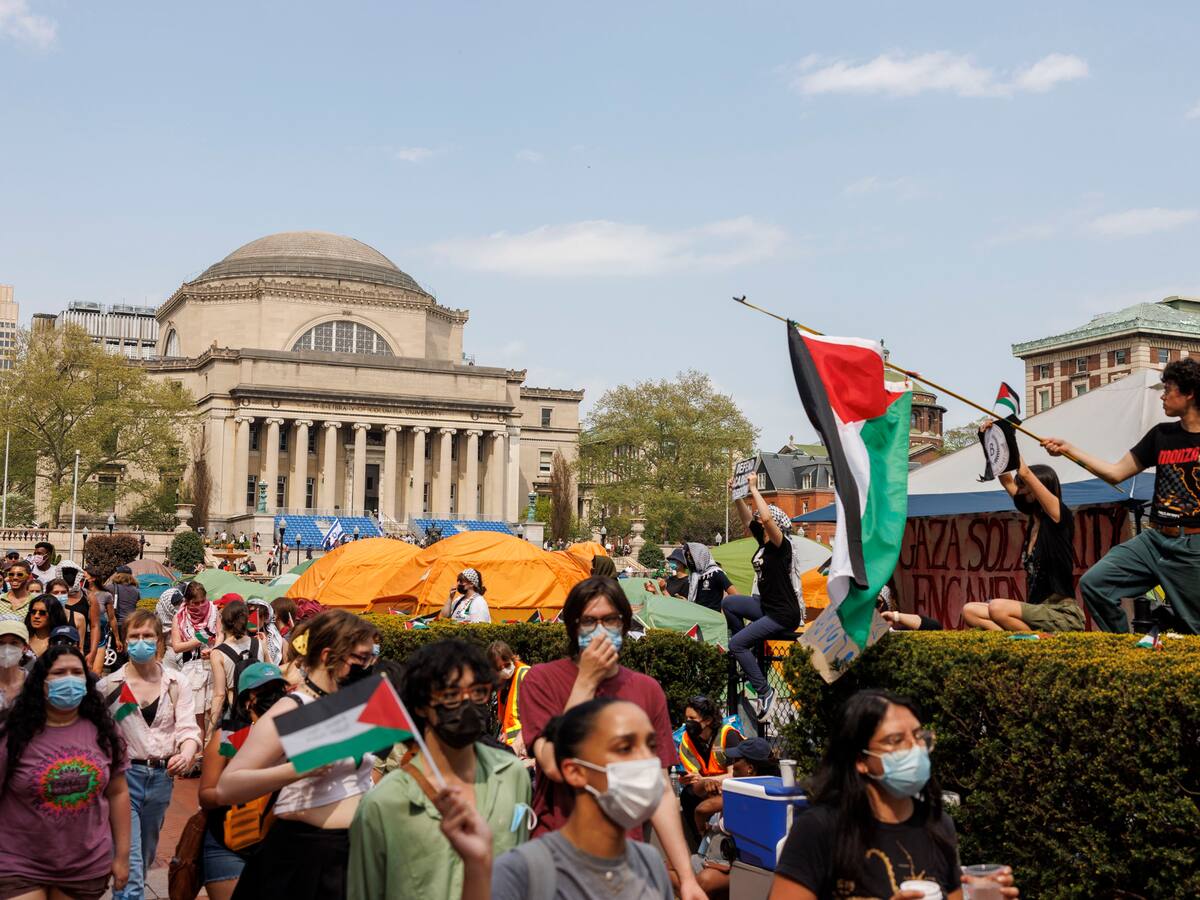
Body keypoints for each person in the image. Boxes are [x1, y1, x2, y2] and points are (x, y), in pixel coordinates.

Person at [518, 576, 706, 900]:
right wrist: (586, 682)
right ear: (573, 626)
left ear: (624, 624)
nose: (601, 630)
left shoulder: (646, 690)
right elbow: (554, 764)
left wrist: (687, 878)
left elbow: (659, 788)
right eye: (589, 621)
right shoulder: (541, 680)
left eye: (610, 620)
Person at [769, 689, 1017, 900]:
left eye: (918, 736)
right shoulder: (820, 829)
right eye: (896, 740)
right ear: (861, 760)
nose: (914, 749)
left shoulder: (939, 826)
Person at [436, 697, 676, 900]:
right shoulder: (521, 871)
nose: (646, 760)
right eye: (624, 748)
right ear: (574, 771)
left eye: (651, 746)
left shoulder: (650, 863)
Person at [347, 639, 532, 900]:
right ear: (422, 706)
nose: (467, 704)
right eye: (451, 696)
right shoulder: (383, 804)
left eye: (478, 692)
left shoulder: (513, 774)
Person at [216, 609, 380, 899]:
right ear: (329, 656)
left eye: (371, 657)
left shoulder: (351, 706)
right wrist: (296, 769)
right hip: (306, 859)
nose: (369, 666)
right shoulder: (294, 708)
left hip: (354, 855)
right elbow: (228, 786)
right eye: (361, 658)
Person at [1043, 358, 1200, 634]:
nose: (1162, 396)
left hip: (1193, 546)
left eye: (1168, 389)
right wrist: (1069, 450)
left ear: (1189, 393)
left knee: (1195, 628)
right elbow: (1115, 473)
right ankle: (1125, 649)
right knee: (1095, 584)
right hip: (1154, 540)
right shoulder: (1161, 436)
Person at [0, 645, 132, 898]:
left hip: (85, 865)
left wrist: (122, 857)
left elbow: (118, 793)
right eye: (59, 673)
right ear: (41, 682)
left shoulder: (105, 731)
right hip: (18, 863)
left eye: (76, 672)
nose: (69, 680)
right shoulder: (13, 733)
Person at [99, 609, 202, 900]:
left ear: (158, 640)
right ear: (124, 640)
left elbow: (188, 729)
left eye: (147, 635)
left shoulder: (176, 682)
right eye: (134, 636)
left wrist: (187, 753)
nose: (141, 641)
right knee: (131, 865)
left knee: (143, 858)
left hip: (161, 779)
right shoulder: (109, 686)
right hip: (122, 780)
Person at [198, 661, 290, 900]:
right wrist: (239, 789)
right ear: (247, 699)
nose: (273, 697)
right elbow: (206, 795)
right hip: (227, 846)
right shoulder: (227, 737)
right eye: (264, 691)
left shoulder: (293, 736)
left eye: (277, 690)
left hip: (277, 848)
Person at [962, 456, 1084, 633]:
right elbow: (1006, 480)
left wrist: (1007, 441)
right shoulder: (1034, 520)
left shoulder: (1058, 515)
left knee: (997, 608)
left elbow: (1025, 472)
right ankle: (1024, 639)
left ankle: (1037, 642)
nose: (1019, 491)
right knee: (970, 611)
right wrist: (993, 446)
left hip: (1061, 613)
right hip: (1037, 610)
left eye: (1023, 486)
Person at [722, 471, 804, 716]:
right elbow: (747, 518)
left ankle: (764, 691)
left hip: (783, 613)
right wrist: (736, 494)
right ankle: (747, 652)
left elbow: (766, 518)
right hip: (767, 606)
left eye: (762, 519)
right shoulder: (763, 543)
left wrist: (754, 488)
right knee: (730, 603)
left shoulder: (781, 546)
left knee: (736, 643)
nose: (758, 521)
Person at [673, 737, 781, 900]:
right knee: (668, 869)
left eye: (737, 760)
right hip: (717, 858)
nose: (732, 764)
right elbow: (696, 791)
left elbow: (702, 810)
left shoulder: (746, 792)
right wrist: (707, 783)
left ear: (750, 768)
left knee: (700, 882)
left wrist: (702, 829)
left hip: (734, 864)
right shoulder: (764, 788)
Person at [677, 695, 743, 837]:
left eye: (692, 718)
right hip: (708, 787)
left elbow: (735, 775)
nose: (687, 723)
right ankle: (700, 838)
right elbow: (696, 779)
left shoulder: (728, 734)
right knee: (687, 794)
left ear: (707, 720)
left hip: (731, 786)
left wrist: (707, 781)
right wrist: (689, 779)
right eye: (686, 718)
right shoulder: (687, 740)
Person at [171, 580, 222, 741]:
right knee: (197, 717)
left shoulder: (213, 611)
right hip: (192, 668)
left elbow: (220, 634)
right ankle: (199, 751)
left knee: (215, 713)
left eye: (203, 601)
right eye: (195, 603)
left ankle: (214, 749)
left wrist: (214, 650)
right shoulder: (179, 617)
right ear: (187, 602)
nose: (200, 606)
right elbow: (177, 646)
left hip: (213, 665)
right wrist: (200, 639)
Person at [208, 599, 263, 744]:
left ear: (223, 623)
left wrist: (210, 732)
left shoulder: (218, 653)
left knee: (233, 756)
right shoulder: (259, 643)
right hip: (261, 711)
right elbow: (271, 671)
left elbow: (219, 695)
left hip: (236, 714)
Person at [487, 640, 531, 754]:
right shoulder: (502, 683)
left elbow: (533, 715)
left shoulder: (525, 674)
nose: (504, 670)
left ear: (512, 658)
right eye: (499, 668)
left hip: (525, 744)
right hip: (510, 744)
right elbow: (506, 718)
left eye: (506, 665)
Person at [682, 543, 736, 611]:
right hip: (696, 614)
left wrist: (727, 612)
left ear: (701, 555)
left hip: (712, 616)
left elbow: (735, 594)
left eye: (691, 556)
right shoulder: (694, 576)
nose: (689, 559)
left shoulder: (716, 573)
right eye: (687, 556)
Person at [0, 620, 30, 720]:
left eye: (14, 643)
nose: (7, 649)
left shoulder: (33, 682)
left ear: (25, 648)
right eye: (1, 643)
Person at [24, 593, 69, 657]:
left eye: (42, 613)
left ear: (54, 615)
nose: (36, 616)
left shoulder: (62, 642)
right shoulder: (23, 638)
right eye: (33, 612)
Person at [247, 596, 284, 665]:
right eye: (249, 614)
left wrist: (264, 649)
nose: (251, 620)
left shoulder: (276, 641)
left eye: (258, 615)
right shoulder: (238, 639)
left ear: (266, 617)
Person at [108, 566, 142, 635]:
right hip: (131, 623)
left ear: (118, 575)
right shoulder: (136, 590)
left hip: (116, 624)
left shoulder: (111, 588)